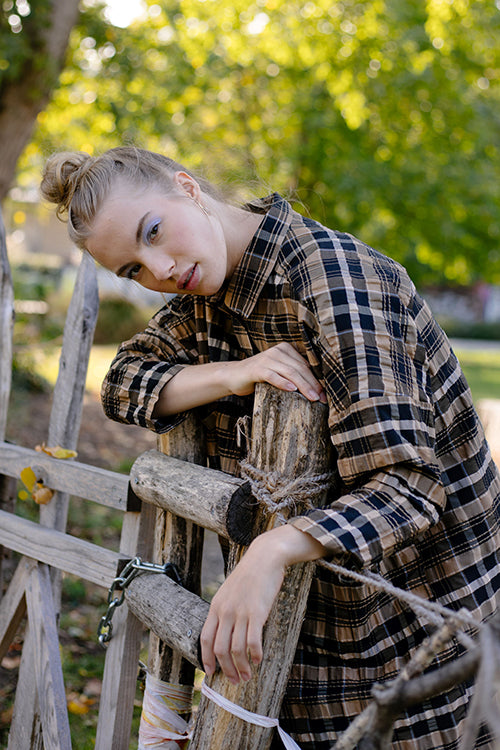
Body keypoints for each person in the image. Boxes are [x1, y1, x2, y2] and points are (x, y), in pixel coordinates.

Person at [41, 146, 500, 749]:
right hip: (303, 649)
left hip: (423, 636)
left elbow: (409, 490)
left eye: (153, 232)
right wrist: (232, 374)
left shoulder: (334, 279)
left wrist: (269, 552)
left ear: (187, 187)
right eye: (132, 270)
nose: (159, 269)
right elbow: (123, 382)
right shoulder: (206, 301)